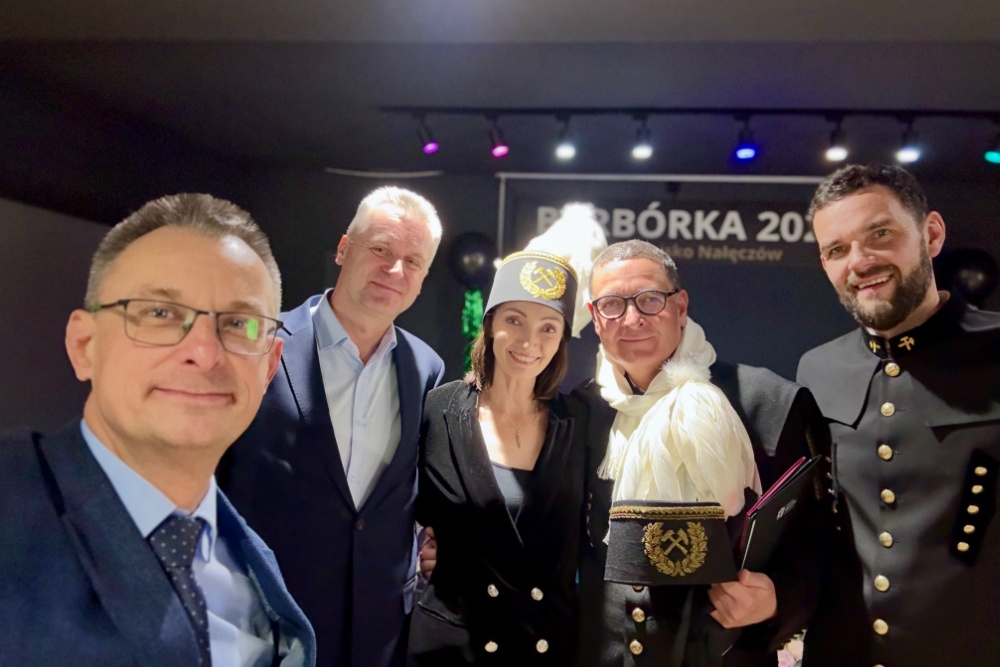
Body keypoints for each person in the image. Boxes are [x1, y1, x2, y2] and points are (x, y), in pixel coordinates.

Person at [0, 194, 316, 666]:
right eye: (160, 313)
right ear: (85, 345)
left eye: (239, 323)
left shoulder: (254, 563)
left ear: (269, 367)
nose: (204, 354)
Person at [219, 187, 446, 667]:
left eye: (413, 261)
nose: (395, 270)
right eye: (381, 249)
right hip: (267, 627)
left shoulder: (426, 369)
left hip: (380, 634)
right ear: (344, 249)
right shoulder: (258, 344)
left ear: (424, 278)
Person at [575, 240, 826, 667]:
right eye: (612, 305)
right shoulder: (578, 413)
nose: (632, 319)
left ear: (680, 307)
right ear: (595, 319)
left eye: (650, 299)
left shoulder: (772, 404)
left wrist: (777, 600)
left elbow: (818, 548)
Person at [798, 164, 1000, 666]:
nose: (860, 261)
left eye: (880, 234)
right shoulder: (817, 369)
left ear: (931, 234)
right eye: (836, 249)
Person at [409, 250, 589, 665]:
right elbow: (397, 510)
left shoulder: (579, 422)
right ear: (490, 324)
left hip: (546, 644)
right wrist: (420, 551)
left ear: (562, 338)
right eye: (514, 320)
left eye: (548, 327)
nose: (529, 342)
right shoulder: (438, 409)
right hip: (453, 647)